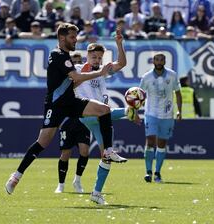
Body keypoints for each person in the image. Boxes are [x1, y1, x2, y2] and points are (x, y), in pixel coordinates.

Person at [5, 22, 124, 195]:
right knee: (43, 142)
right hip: (56, 104)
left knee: (104, 109)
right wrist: (100, 73)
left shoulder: (67, 56)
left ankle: (108, 150)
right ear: (62, 38)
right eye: (72, 37)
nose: (75, 40)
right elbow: (75, 76)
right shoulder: (57, 54)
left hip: (71, 101)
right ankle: (16, 176)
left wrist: (116, 49)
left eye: (76, 36)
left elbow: (74, 80)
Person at [55, 30, 139, 205]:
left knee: (106, 157)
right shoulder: (77, 69)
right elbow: (68, 85)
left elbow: (122, 63)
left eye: (100, 58)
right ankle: (128, 112)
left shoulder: (102, 70)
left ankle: (96, 193)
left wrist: (119, 44)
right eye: (94, 57)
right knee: (116, 111)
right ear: (87, 56)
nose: (97, 60)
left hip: (100, 119)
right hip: (86, 113)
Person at [140, 53, 182, 183]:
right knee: (150, 141)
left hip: (167, 114)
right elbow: (139, 95)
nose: (159, 61)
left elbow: (178, 93)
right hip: (151, 113)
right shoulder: (146, 77)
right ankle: (148, 171)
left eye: (161, 59)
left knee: (162, 143)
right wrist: (135, 111)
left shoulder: (172, 75)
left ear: (164, 61)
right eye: (157, 59)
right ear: (153, 61)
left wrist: (180, 110)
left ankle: (157, 173)